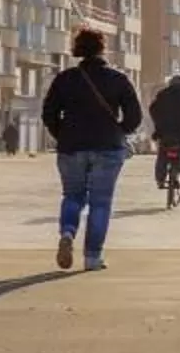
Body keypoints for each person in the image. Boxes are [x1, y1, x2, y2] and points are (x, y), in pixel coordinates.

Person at [41, 28, 142, 272]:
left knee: (72, 195)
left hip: (71, 147)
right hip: (107, 147)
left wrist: (63, 135)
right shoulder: (118, 79)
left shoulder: (65, 79)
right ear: (102, 48)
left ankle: (67, 233)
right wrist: (119, 131)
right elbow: (134, 116)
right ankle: (92, 257)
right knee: (100, 202)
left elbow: (49, 113)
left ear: (77, 49)